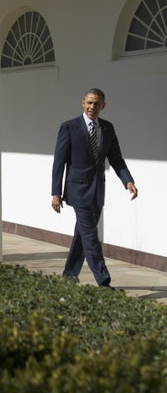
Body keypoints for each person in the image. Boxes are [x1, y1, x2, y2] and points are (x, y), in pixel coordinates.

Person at [51, 88, 138, 287]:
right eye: (89, 103)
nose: (92, 107)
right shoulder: (69, 127)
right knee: (90, 235)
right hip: (77, 190)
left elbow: (116, 158)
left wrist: (128, 181)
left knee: (82, 235)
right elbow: (59, 162)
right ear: (83, 103)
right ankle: (104, 280)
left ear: (103, 106)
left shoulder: (107, 128)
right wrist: (56, 192)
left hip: (98, 191)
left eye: (97, 104)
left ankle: (69, 277)